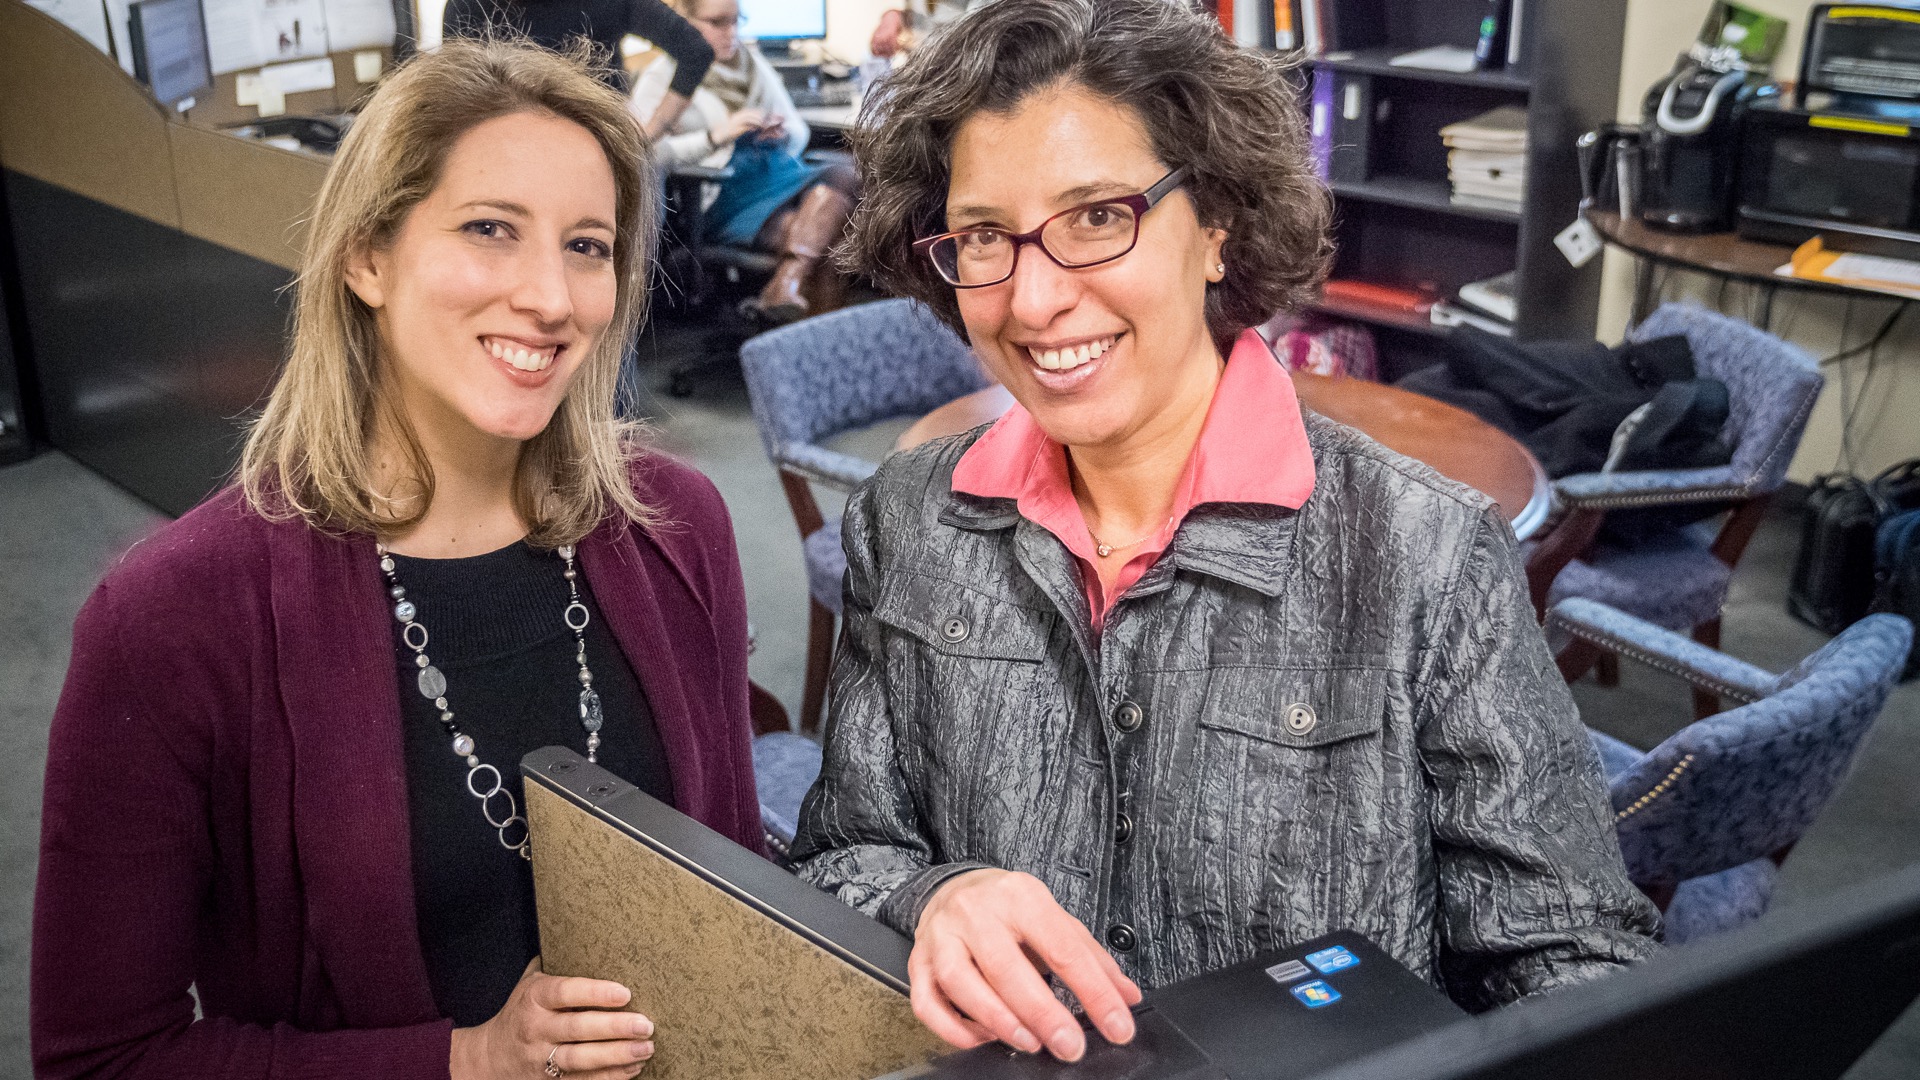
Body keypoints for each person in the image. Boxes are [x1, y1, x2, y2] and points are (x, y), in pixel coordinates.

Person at [789, 0, 1661, 1064]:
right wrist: (934, 897)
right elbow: (842, 857)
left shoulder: (1420, 552)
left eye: (1099, 216)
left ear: (1216, 227)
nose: (1035, 297)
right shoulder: (909, 519)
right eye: (983, 237)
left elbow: (1574, 964)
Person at [32, 38, 762, 1080]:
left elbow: (732, 867)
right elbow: (102, 1058)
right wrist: (464, 1063)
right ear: (367, 256)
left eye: (588, 246)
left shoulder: (675, 526)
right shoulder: (171, 619)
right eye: (489, 230)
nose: (552, 299)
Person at [630, 0, 859, 324]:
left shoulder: (749, 62)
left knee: (847, 170)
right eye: (717, 23)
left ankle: (787, 285)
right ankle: (819, 348)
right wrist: (716, 137)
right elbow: (642, 153)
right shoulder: (662, 74)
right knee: (834, 237)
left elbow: (799, 131)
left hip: (773, 177)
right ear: (685, 20)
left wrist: (780, 133)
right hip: (721, 192)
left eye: (736, 22)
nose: (731, 34)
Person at [441, 0, 713, 138]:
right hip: (510, 147)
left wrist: (650, 133)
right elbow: (455, 96)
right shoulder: (471, 5)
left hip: (591, 145)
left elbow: (696, 51)